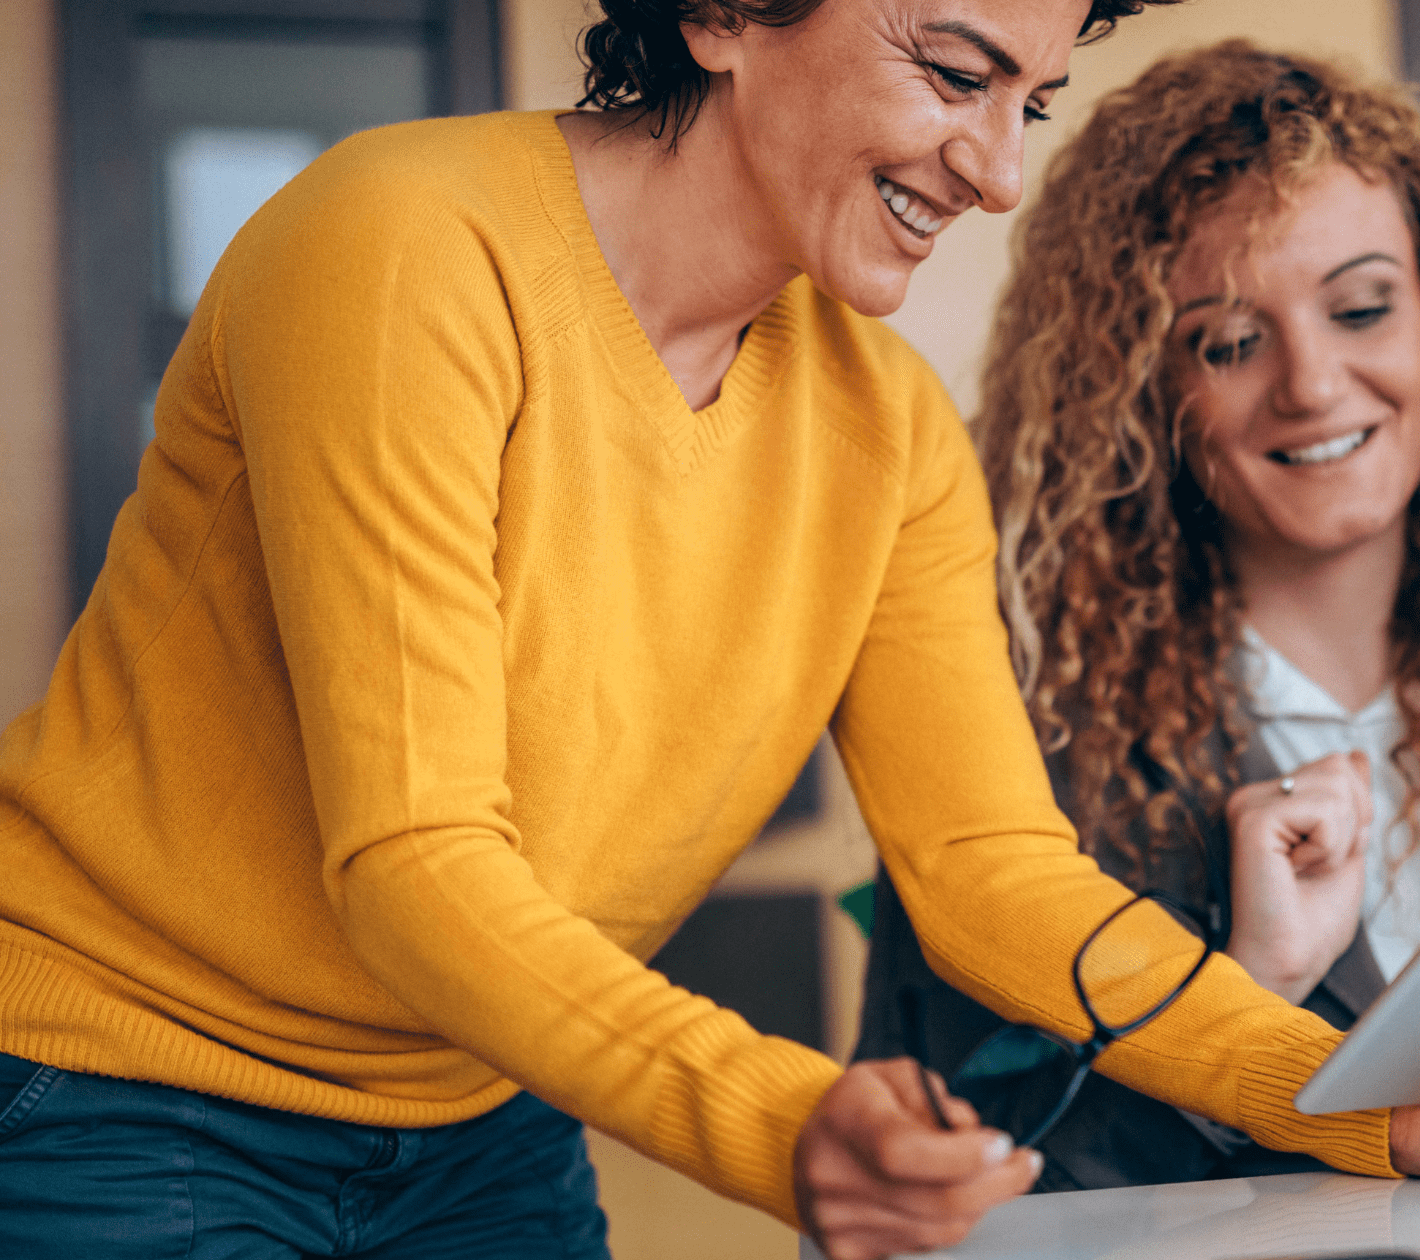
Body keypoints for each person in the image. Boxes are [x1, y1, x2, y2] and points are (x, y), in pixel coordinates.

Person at [0, 2, 1182, 1257]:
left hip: (480, 1104)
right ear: (724, 16)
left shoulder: (889, 431)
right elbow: (415, 863)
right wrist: (781, 1119)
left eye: (1030, 104)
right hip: (120, 1087)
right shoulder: (407, 242)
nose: (1000, 174)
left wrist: (1358, 1111)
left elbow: (994, 875)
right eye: (955, 75)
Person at [858, 41, 1420, 1192]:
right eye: (1230, 343)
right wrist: (1249, 991)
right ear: (1144, 386)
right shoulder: (1011, 702)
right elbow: (953, 1182)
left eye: (1360, 308)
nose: (1312, 384)